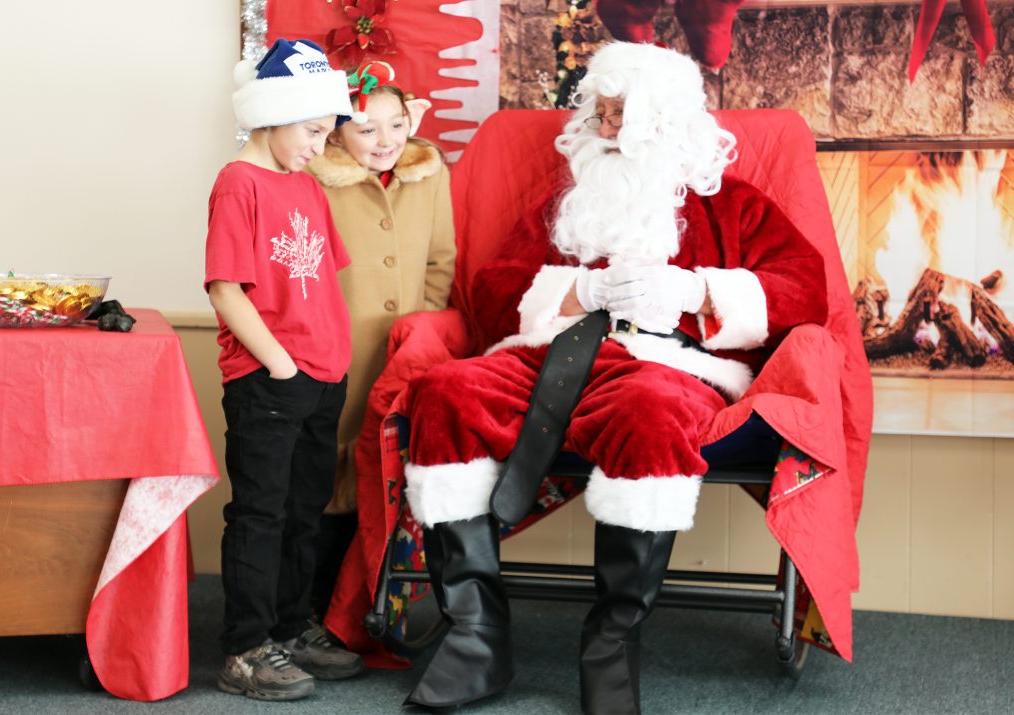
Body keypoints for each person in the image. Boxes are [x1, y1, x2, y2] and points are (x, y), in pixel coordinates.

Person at [399, 42, 829, 714]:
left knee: (651, 412)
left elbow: (806, 291)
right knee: (444, 393)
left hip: (669, 365)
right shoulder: (567, 207)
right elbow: (491, 292)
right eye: (598, 114)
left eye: (617, 115)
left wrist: (694, 292)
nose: (602, 130)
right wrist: (580, 290)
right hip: (548, 355)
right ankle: (476, 635)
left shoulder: (733, 208)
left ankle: (611, 642)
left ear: (661, 122)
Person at [204, 38, 364, 701]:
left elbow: (325, 277)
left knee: (304, 510)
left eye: (327, 132)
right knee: (262, 514)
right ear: (273, 114)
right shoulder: (238, 182)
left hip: (324, 374)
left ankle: (294, 626)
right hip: (271, 379)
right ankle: (247, 645)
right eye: (311, 130)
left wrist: (329, 360)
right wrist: (279, 363)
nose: (318, 145)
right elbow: (225, 287)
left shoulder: (305, 186)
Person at [305, 61, 456, 619]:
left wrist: (425, 333)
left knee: (385, 469)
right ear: (338, 132)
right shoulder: (314, 178)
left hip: (401, 351)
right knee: (328, 470)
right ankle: (318, 610)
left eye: (396, 125)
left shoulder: (428, 172)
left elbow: (442, 261)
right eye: (367, 129)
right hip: (335, 348)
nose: (385, 140)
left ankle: (377, 605)